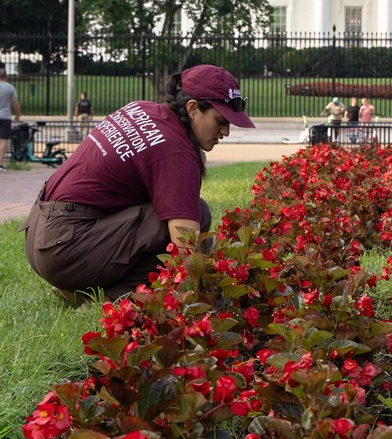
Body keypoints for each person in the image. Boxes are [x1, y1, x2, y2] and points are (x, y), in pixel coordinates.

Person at [21, 64, 253, 301]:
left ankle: (80, 286)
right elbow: (186, 247)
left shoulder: (141, 109)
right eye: (220, 121)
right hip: (65, 250)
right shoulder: (176, 152)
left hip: (40, 236)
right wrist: (219, 291)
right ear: (193, 108)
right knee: (196, 212)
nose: (225, 131)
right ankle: (110, 297)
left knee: (169, 207)